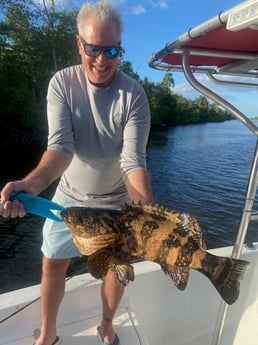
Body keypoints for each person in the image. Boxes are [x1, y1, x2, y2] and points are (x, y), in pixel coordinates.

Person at [0, 1, 154, 345]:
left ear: (120, 47)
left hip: (116, 202)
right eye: (93, 48)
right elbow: (61, 148)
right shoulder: (62, 84)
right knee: (52, 261)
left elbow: (132, 160)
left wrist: (146, 210)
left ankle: (107, 324)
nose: (102, 59)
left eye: (111, 49)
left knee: (117, 266)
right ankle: (49, 334)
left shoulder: (135, 96)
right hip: (69, 197)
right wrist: (31, 184)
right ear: (79, 44)